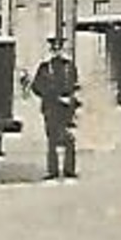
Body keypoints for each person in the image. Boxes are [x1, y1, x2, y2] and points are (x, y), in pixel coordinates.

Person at [31, 38, 79, 179]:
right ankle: (52, 170)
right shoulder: (44, 68)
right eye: (54, 49)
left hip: (66, 108)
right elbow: (36, 87)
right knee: (52, 139)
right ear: (50, 51)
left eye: (59, 49)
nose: (57, 52)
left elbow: (75, 84)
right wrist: (51, 96)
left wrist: (71, 98)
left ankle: (69, 169)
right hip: (51, 108)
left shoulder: (69, 67)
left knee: (69, 139)